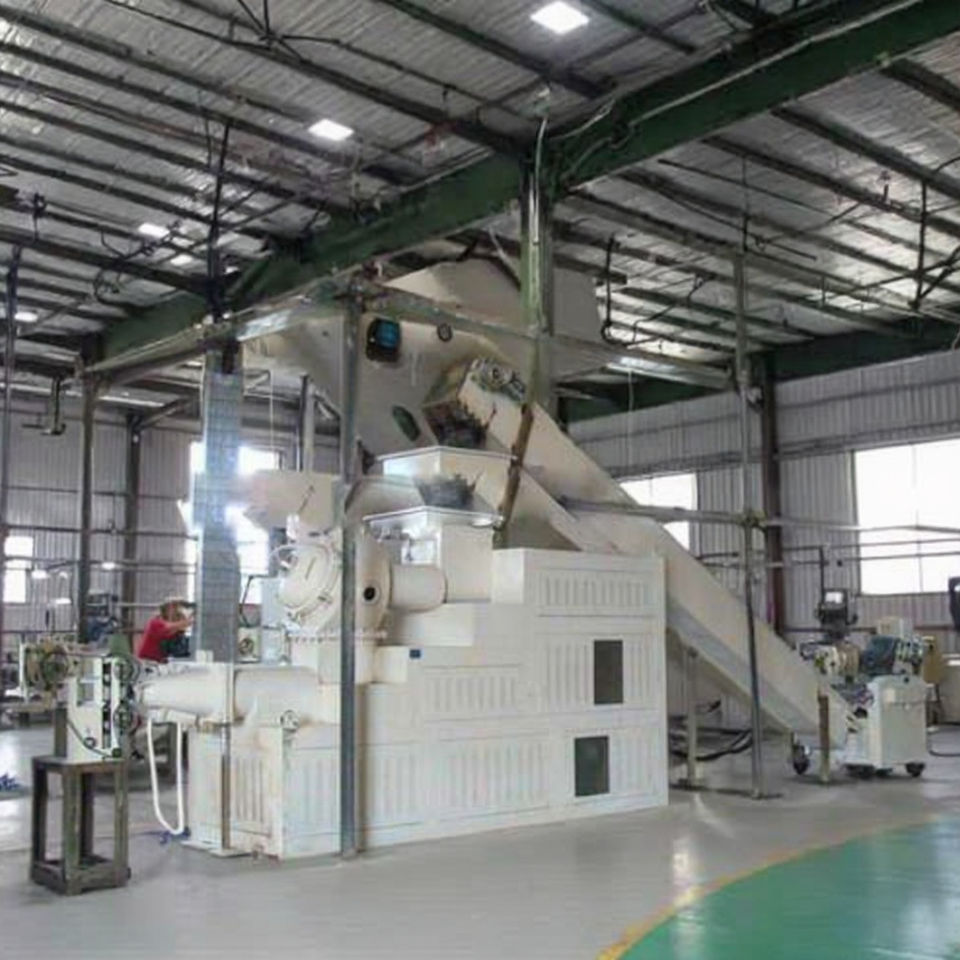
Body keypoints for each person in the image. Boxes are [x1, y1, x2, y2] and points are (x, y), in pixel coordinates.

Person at [137, 599, 192, 663]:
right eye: (174, 609)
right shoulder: (155, 622)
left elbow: (172, 632)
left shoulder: (168, 628)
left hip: (157, 659)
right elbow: (170, 626)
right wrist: (187, 621)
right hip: (147, 659)